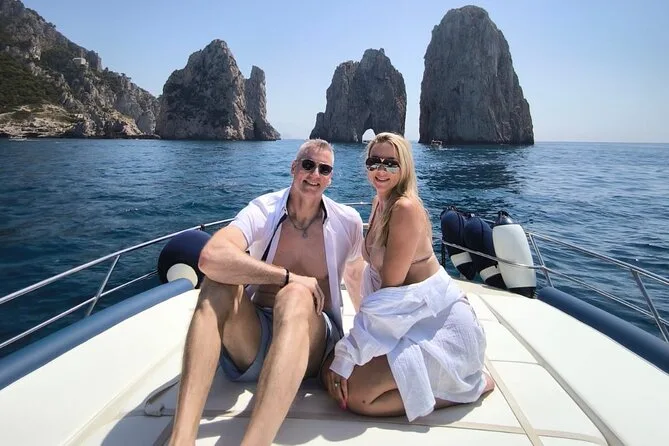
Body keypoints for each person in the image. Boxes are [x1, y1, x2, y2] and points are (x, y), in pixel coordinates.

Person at [169, 139, 364, 446]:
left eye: (324, 169)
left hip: (312, 347)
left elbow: (355, 277)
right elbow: (210, 258)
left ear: (330, 178)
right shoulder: (264, 210)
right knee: (216, 283)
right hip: (255, 341)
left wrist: (362, 347)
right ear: (294, 168)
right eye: (308, 165)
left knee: (295, 296)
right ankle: (181, 439)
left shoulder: (347, 222)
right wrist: (288, 276)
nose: (315, 174)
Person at [321, 132, 494, 421]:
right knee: (328, 369)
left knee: (358, 396)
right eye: (374, 161)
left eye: (391, 163)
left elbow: (390, 297)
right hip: (406, 320)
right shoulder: (379, 203)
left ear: (405, 167)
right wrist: (350, 350)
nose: (381, 169)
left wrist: (351, 350)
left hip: (438, 328)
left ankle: (466, 389)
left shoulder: (404, 208)